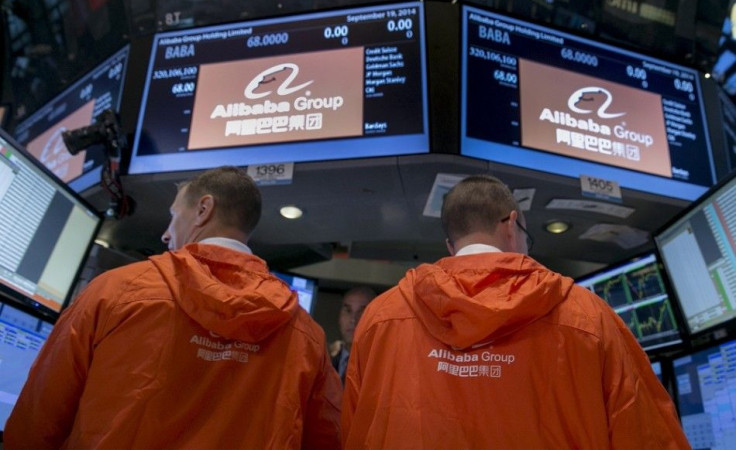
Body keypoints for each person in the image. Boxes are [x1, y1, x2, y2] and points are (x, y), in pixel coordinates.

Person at [341, 175, 689, 449]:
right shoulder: (590, 316)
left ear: (450, 245)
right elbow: (649, 437)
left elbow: (352, 435)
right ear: (511, 224)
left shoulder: (379, 318)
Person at [5, 166, 342, 449]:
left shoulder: (115, 292)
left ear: (203, 209)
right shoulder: (306, 335)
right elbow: (330, 440)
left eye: (173, 216)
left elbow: (38, 417)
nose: (166, 235)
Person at [331, 286, 376, 383]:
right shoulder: (325, 362)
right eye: (348, 311)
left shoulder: (380, 366)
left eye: (362, 312)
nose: (353, 320)